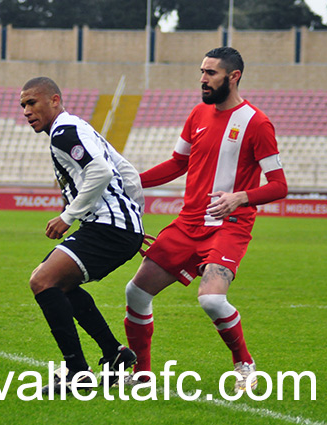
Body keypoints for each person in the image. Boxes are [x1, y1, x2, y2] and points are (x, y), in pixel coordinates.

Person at [122, 47, 288, 393]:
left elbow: (279, 185)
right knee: (136, 292)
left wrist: (241, 197)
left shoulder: (257, 123)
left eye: (211, 73)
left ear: (234, 77)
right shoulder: (197, 114)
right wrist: (133, 180)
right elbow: (176, 164)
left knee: (211, 299)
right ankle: (142, 373)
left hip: (229, 226)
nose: (203, 79)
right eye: (201, 71)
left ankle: (244, 364)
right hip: (187, 225)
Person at [20, 77, 145, 394]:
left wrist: (67, 215)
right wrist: (134, 217)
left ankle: (77, 372)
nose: (26, 110)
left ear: (55, 100)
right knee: (58, 283)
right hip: (115, 226)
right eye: (23, 105)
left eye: (32, 102)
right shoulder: (79, 128)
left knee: (43, 282)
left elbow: (102, 172)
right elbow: (125, 169)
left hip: (109, 226)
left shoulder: (64, 132)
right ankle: (116, 354)